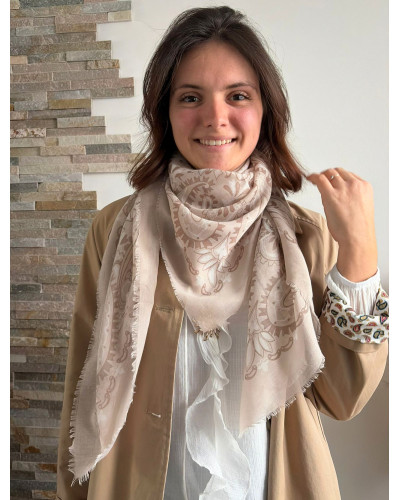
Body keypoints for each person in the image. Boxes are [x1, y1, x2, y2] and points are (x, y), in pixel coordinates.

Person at [56, 6, 389, 500]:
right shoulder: (115, 229)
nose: (215, 118)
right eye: (190, 97)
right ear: (165, 113)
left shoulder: (304, 236)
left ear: (265, 109)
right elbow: (82, 391)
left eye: (238, 96)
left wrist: (359, 251)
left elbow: (343, 398)